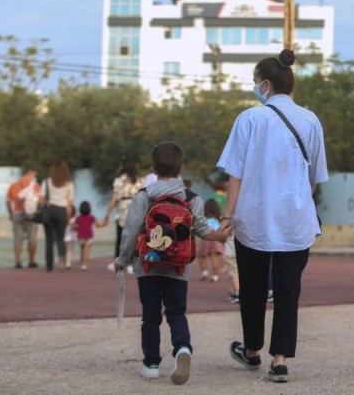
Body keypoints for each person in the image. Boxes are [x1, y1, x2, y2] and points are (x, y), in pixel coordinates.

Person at [217, 49, 328, 383]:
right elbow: (313, 179)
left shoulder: (249, 119)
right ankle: (279, 360)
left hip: (254, 219)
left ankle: (251, 351)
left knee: (251, 287)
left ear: (265, 84)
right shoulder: (310, 120)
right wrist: (294, 203)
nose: (255, 88)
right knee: (287, 291)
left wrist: (226, 215)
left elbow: (234, 176)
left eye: (255, 82)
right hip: (295, 221)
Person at [115, 141, 230, 384]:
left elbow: (130, 232)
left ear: (153, 169)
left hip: (146, 267)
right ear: (182, 168)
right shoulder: (192, 199)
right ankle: (182, 348)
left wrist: (122, 260)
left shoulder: (143, 197)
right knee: (176, 312)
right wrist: (224, 234)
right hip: (178, 268)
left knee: (150, 316)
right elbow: (202, 231)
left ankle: (152, 364)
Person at [104, 159, 144, 273]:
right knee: (135, 237)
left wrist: (107, 215)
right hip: (137, 208)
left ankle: (119, 262)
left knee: (121, 237)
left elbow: (114, 198)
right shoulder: (141, 180)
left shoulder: (119, 180)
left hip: (123, 209)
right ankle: (133, 263)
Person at [40, 159, 74, 272]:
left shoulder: (47, 182)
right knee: (60, 238)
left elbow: (41, 199)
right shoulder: (69, 184)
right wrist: (68, 217)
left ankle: (49, 265)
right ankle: (61, 259)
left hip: (49, 210)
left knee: (49, 239)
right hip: (62, 211)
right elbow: (69, 202)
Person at [6, 169, 41, 269]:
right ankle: (31, 260)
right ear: (30, 174)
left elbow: (8, 201)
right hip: (31, 215)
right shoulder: (35, 186)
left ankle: (18, 261)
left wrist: (10, 213)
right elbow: (40, 200)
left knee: (18, 239)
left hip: (17, 214)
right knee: (32, 239)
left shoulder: (13, 186)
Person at [74, 201, 108, 270]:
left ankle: (82, 263)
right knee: (87, 251)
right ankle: (84, 264)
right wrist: (104, 223)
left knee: (82, 250)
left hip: (81, 237)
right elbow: (98, 225)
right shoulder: (91, 217)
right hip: (89, 236)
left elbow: (75, 227)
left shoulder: (78, 218)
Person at [197, 199, 225, 282]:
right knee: (215, 256)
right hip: (217, 238)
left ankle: (205, 271)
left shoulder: (204, 217)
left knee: (200, 255)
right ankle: (215, 275)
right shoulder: (220, 218)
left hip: (206, 236)